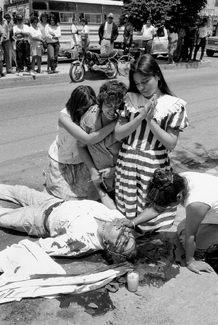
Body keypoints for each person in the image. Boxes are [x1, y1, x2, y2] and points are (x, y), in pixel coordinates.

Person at [114, 54, 189, 228]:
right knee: (127, 200)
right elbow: (118, 134)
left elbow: (170, 143)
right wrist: (141, 116)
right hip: (127, 160)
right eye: (137, 83)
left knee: (152, 201)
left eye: (145, 81)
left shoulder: (173, 104)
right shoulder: (130, 99)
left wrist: (150, 121)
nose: (141, 87)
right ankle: (128, 228)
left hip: (154, 163)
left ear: (157, 75)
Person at [0, 183, 137, 263]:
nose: (124, 231)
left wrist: (8, 258)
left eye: (122, 240)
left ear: (109, 245)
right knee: (19, 191)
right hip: (54, 202)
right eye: (128, 234)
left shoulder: (81, 243)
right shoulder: (118, 220)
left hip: (39, 219)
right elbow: (111, 206)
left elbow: (41, 247)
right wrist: (99, 187)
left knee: (4, 216)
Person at [43, 85, 118, 201]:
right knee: (62, 200)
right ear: (75, 106)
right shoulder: (64, 117)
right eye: (84, 109)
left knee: (87, 199)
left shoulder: (93, 113)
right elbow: (87, 139)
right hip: (63, 162)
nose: (87, 112)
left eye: (90, 108)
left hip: (82, 163)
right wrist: (115, 124)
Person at [78, 81, 128, 209]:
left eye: (117, 106)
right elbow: (81, 146)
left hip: (122, 181)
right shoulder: (89, 119)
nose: (112, 110)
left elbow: (133, 154)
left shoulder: (126, 123)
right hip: (97, 182)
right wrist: (92, 170)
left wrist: (114, 170)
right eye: (109, 105)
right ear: (101, 102)